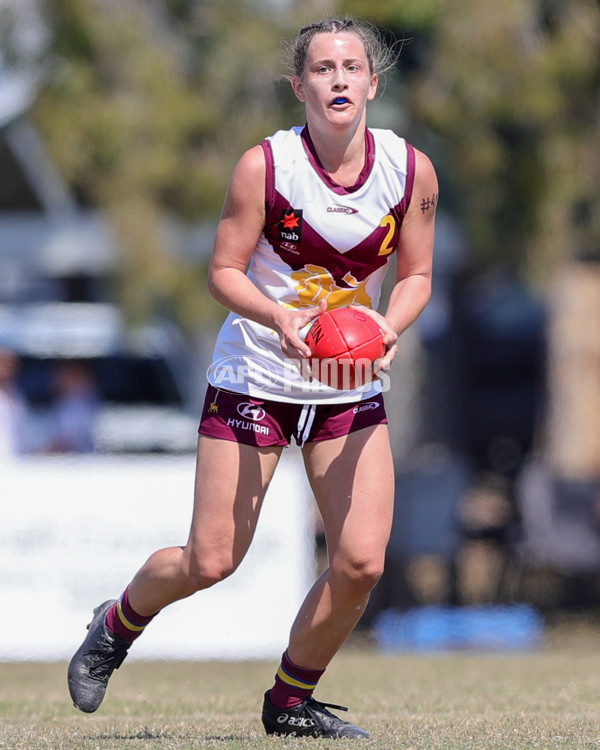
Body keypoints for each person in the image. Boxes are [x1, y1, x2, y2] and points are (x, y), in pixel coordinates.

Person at [68, 16, 437, 739]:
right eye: (323, 69)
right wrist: (280, 319)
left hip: (344, 380)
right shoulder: (264, 167)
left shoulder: (409, 168)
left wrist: (388, 328)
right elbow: (223, 273)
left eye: (351, 67)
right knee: (212, 558)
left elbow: (418, 275)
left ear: (373, 83)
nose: (338, 79)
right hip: (257, 374)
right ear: (300, 86)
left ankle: (290, 702)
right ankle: (115, 626)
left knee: (361, 562)